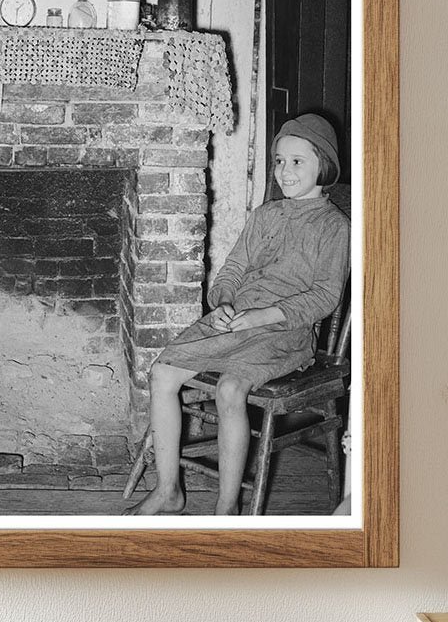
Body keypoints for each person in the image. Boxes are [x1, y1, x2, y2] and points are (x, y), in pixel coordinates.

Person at [128, 113, 350, 516]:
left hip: (285, 330)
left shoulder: (333, 226)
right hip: (236, 321)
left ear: (324, 164)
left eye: (297, 161)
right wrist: (224, 301)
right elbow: (233, 268)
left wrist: (262, 316)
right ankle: (168, 490)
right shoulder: (265, 214)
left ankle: (227, 507)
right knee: (162, 373)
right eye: (279, 161)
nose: (284, 171)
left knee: (231, 389)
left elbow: (325, 297)